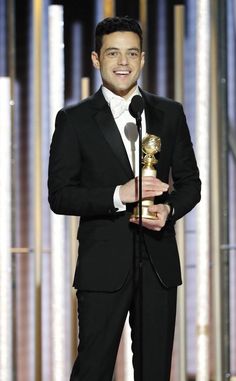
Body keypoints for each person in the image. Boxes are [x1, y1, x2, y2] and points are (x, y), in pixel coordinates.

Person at [48, 16, 201, 381]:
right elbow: (60, 195)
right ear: (96, 59)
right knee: (93, 369)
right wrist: (120, 194)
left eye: (132, 53)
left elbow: (190, 183)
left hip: (159, 264)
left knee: (155, 371)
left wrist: (169, 209)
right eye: (113, 53)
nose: (123, 62)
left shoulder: (169, 113)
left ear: (143, 59)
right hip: (103, 267)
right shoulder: (75, 119)